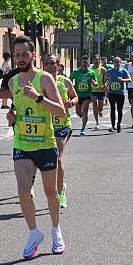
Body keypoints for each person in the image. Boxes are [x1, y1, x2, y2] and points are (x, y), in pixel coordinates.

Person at [5, 35, 66, 259]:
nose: (20, 59)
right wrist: (12, 117)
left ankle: (56, 231)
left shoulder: (45, 79)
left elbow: (60, 111)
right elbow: (17, 110)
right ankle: (33, 234)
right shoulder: (12, 82)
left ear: (33, 55)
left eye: (24, 54)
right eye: (17, 55)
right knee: (23, 191)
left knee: (50, 192)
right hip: (22, 144)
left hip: (45, 144)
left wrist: (39, 98)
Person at [43, 54, 78, 209]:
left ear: (58, 65)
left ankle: (61, 192)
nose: (50, 66)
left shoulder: (65, 81)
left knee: (57, 158)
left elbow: (75, 96)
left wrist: (72, 102)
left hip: (63, 125)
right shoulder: (40, 82)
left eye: (53, 63)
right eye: (47, 63)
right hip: (45, 126)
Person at [70, 56, 97, 136]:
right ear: (81, 63)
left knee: (85, 110)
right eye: (84, 62)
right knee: (78, 112)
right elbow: (70, 80)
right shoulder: (76, 72)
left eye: (87, 62)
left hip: (87, 95)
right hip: (78, 95)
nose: (86, 64)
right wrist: (71, 87)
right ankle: (81, 115)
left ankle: (83, 129)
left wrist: (94, 83)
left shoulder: (91, 72)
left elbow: (96, 83)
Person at [106, 57, 131, 133]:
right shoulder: (109, 71)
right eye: (116, 62)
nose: (117, 63)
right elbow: (106, 80)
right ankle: (113, 125)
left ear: (120, 63)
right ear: (113, 62)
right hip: (112, 93)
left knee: (120, 109)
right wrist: (106, 85)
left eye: (119, 62)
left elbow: (130, 80)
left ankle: (119, 124)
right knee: (112, 108)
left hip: (120, 93)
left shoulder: (123, 71)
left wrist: (122, 80)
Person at [90, 56, 107, 129]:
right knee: (94, 105)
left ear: (99, 61)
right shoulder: (90, 70)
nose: (96, 61)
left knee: (100, 106)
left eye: (97, 60)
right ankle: (97, 122)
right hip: (93, 90)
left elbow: (107, 78)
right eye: (94, 60)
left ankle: (100, 110)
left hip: (101, 90)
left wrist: (104, 85)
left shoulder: (102, 69)